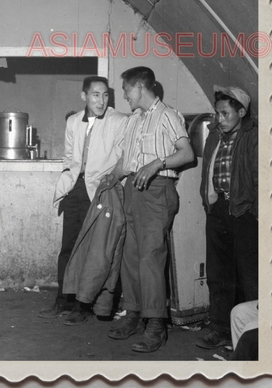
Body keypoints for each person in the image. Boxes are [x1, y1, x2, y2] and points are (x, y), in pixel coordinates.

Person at [105, 66, 194, 353]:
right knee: (130, 258)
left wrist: (157, 163)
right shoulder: (133, 121)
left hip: (157, 191)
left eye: (126, 90)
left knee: (150, 259)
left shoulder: (168, 116)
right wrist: (109, 178)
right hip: (132, 190)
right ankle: (133, 315)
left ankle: (156, 324)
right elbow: (125, 162)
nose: (125, 96)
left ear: (140, 87)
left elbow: (187, 153)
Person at [38, 76, 127, 321]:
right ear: (84, 96)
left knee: (93, 250)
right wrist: (68, 178)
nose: (101, 100)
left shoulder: (119, 121)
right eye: (95, 95)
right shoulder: (74, 121)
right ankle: (63, 300)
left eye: (105, 94)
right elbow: (69, 157)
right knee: (68, 246)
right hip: (75, 188)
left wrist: (107, 184)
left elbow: (122, 159)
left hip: (101, 191)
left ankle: (82, 305)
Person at [195, 85, 258, 350]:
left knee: (249, 275)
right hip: (218, 209)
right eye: (217, 113)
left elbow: (259, 178)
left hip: (244, 211)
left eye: (225, 113)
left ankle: (251, 336)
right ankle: (219, 328)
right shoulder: (214, 135)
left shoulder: (254, 136)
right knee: (218, 273)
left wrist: (254, 212)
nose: (219, 118)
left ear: (241, 112)